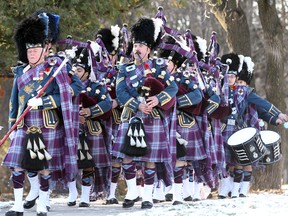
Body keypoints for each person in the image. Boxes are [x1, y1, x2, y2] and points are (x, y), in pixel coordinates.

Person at [2, 12, 78, 216]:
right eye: (28, 49)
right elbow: (14, 103)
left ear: (45, 48)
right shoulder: (21, 71)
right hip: (24, 124)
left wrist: (43, 101)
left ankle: (43, 204)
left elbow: (64, 95)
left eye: (35, 48)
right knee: (16, 165)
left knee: (44, 168)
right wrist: (13, 124)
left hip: (48, 123)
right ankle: (17, 205)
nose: (32, 53)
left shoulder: (56, 68)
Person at [114, 17, 178, 209]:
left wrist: (158, 99)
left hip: (153, 117)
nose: (137, 48)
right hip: (132, 115)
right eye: (135, 44)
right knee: (127, 156)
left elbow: (173, 87)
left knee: (150, 158)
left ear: (149, 48)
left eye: (141, 45)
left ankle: (148, 196)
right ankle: (132, 191)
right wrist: (136, 105)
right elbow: (120, 93)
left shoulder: (159, 67)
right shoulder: (124, 69)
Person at [220, 53, 288, 198]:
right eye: (228, 76)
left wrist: (277, 116)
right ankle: (227, 189)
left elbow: (262, 107)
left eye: (234, 77)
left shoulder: (245, 92)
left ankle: (240, 190)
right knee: (227, 162)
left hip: (241, 129)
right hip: (225, 129)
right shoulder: (222, 90)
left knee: (242, 161)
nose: (232, 80)